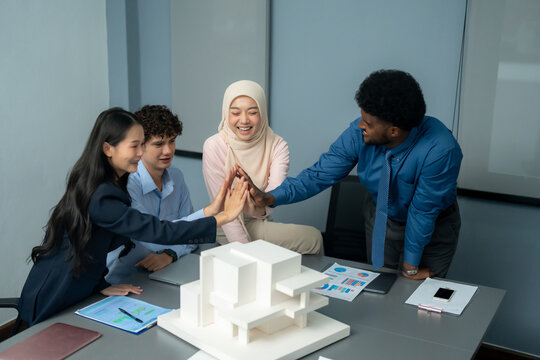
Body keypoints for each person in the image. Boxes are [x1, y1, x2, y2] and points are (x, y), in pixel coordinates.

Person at [18, 108, 247, 327]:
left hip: (82, 290)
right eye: (135, 146)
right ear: (108, 149)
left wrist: (99, 285)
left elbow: (89, 244)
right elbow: (157, 231)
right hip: (56, 295)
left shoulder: (110, 183)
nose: (141, 153)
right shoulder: (102, 196)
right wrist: (223, 216)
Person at [241, 70, 462, 279]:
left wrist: (411, 267)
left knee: (418, 296)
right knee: (381, 287)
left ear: (394, 131)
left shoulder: (441, 149)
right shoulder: (358, 133)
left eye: (368, 122)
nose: (360, 125)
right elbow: (319, 175)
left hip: (433, 227)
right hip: (381, 218)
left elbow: (423, 211)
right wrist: (270, 197)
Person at [106, 105, 225, 283]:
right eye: (159, 144)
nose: (168, 150)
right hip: (123, 277)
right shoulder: (128, 183)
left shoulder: (176, 177)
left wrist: (170, 254)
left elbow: (190, 235)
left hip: (165, 271)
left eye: (172, 141)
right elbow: (151, 235)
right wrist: (210, 214)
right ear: (140, 145)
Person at [203, 80, 322, 254]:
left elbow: (273, 200)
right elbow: (224, 211)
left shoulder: (277, 145)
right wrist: (248, 255)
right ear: (225, 113)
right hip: (226, 223)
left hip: (261, 218)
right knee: (313, 239)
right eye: (235, 112)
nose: (244, 120)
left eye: (253, 112)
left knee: (313, 238)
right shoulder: (214, 146)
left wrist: (257, 207)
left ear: (263, 113)